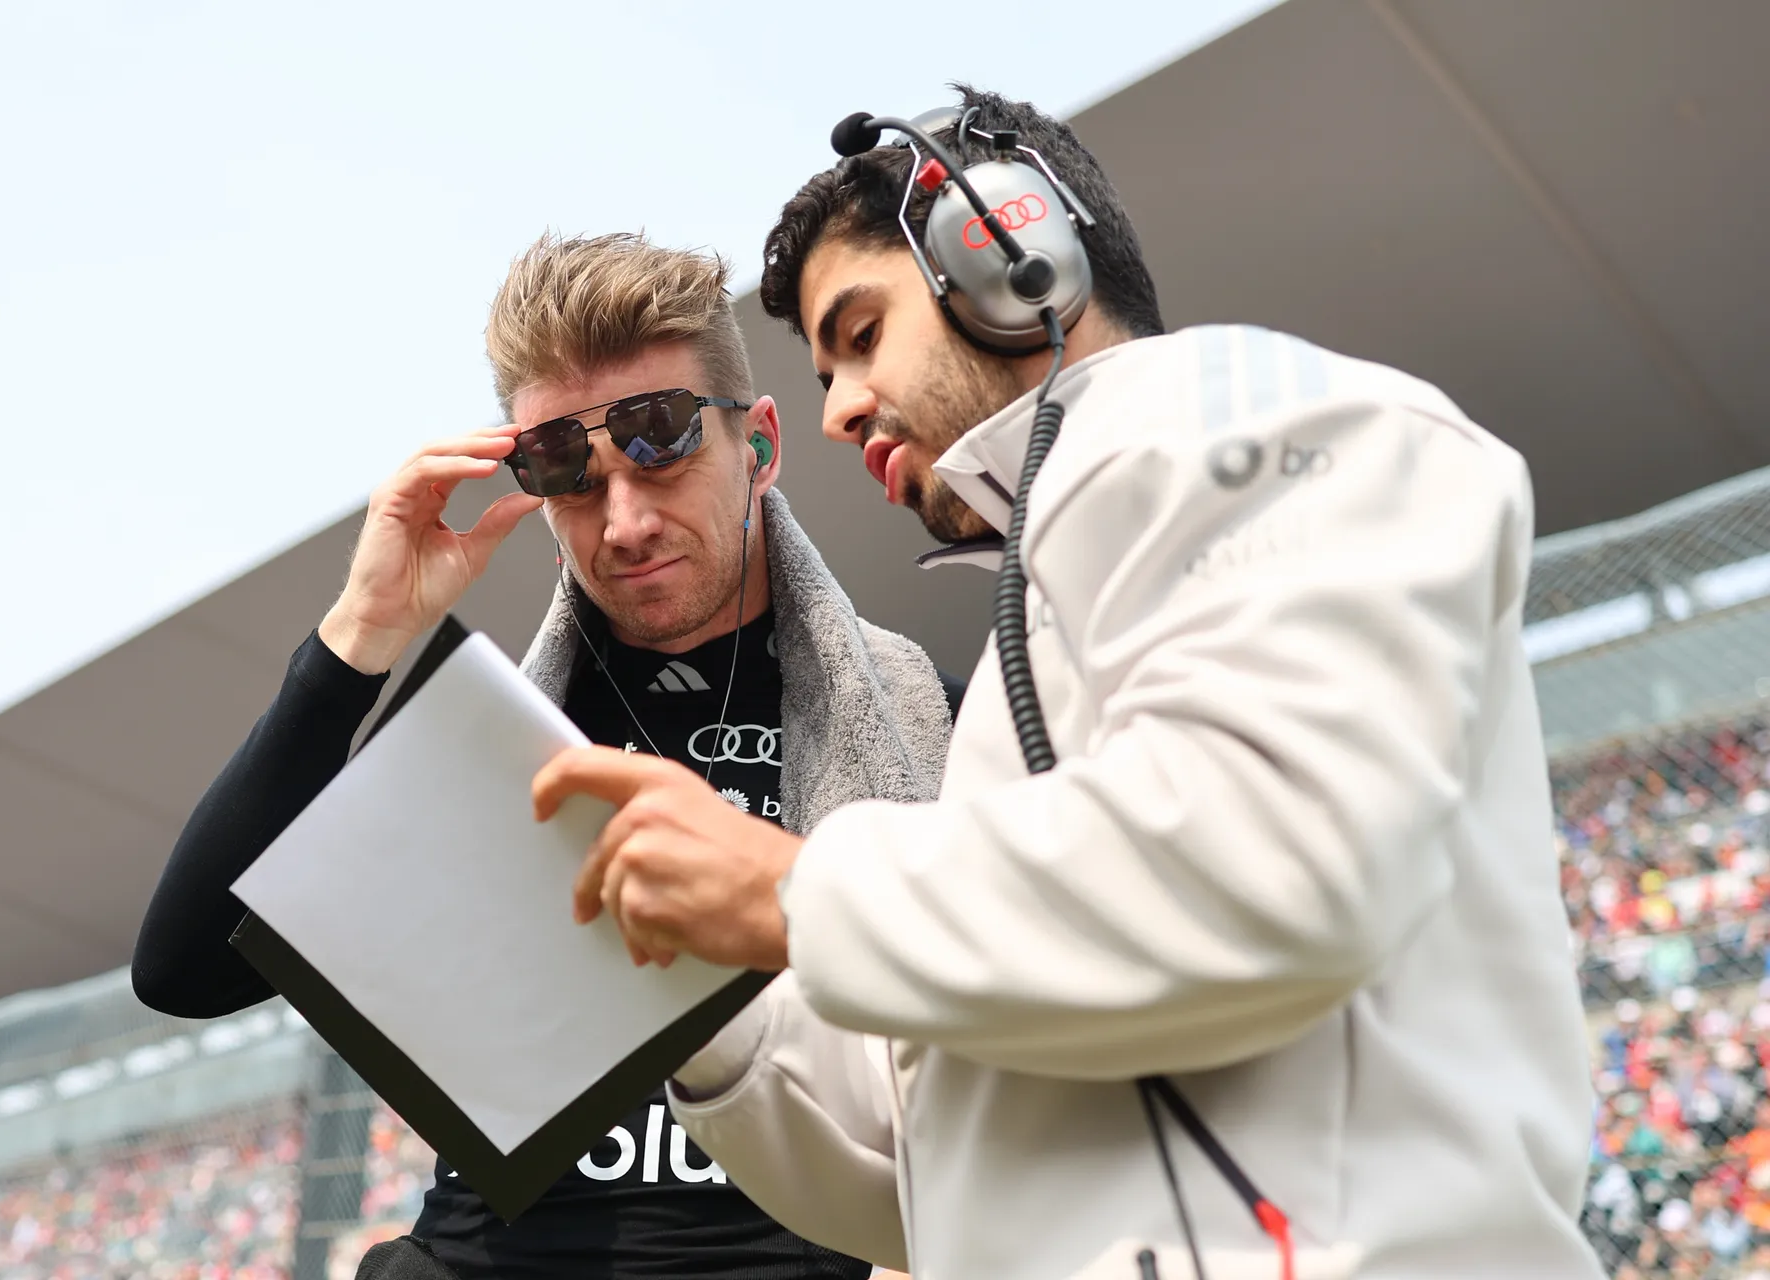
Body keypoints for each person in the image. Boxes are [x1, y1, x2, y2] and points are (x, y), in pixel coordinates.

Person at [530, 87, 1602, 1277]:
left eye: (862, 331)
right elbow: (919, 1170)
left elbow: (1276, 854)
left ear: (1013, 255)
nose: (838, 409)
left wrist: (794, 885)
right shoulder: (1019, 661)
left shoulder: (1258, 412)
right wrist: (703, 998)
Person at [132, 231, 958, 1280]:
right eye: (570, 472)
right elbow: (183, 967)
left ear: (759, 444)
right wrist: (362, 631)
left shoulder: (936, 723)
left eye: (661, 442)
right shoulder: (491, 751)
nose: (623, 521)